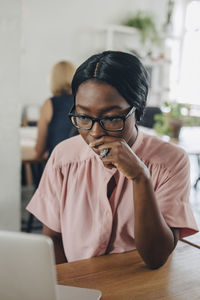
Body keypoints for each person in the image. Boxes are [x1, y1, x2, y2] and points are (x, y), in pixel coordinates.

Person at [27, 51, 198, 268]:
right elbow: (53, 239)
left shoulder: (171, 161)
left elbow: (156, 258)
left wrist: (140, 178)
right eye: (83, 117)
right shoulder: (64, 157)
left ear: (138, 110)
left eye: (111, 118)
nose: (96, 132)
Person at [35, 60, 77, 160]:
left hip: (59, 164)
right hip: (82, 164)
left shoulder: (49, 104)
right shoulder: (84, 101)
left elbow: (40, 149)